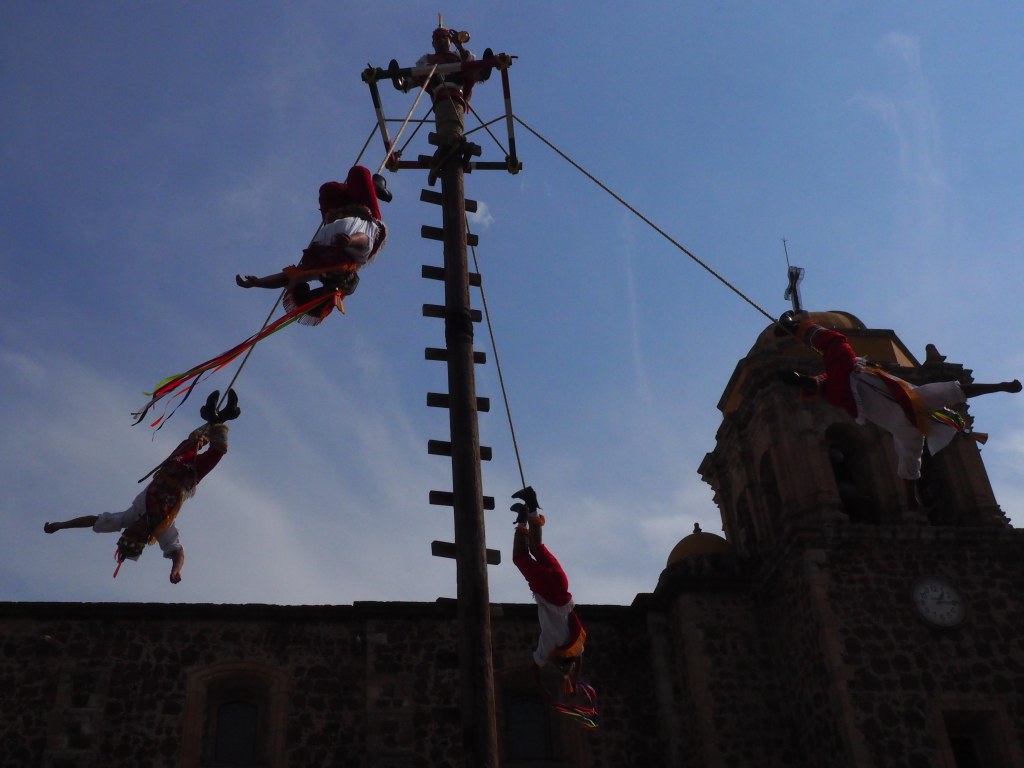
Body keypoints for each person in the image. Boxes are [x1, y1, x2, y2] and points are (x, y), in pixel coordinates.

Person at [777, 311, 1021, 507]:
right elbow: (910, 471)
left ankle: (796, 340)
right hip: (852, 388)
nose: (945, 412)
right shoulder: (914, 429)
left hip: (853, 384)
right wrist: (1000, 387)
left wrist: (1001, 386)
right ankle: (804, 371)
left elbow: (959, 391)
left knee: (837, 346)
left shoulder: (917, 419)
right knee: (833, 366)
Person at [43, 390, 240, 581]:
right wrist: (175, 571)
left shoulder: (127, 518)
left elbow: (92, 521)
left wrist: (61, 525)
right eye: (136, 533)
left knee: (194, 441)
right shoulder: (162, 531)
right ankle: (219, 417)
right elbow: (177, 552)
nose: (134, 528)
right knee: (219, 449)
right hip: (189, 478)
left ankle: (213, 416)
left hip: (172, 468)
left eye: (130, 531)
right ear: (143, 538)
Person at [235, 166, 390, 324]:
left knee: (328, 190)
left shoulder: (318, 267)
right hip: (367, 213)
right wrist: (350, 241)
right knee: (359, 172)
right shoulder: (348, 263)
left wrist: (258, 282)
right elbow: (365, 240)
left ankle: (362, 190)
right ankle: (373, 189)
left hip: (338, 214)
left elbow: (286, 278)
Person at [410, 26, 476, 138]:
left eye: (444, 37)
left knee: (474, 71)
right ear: (433, 43)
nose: (440, 40)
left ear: (450, 41)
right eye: (437, 38)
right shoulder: (428, 58)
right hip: (438, 90)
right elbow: (418, 72)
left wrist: (459, 45)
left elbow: (470, 62)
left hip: (457, 89)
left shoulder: (457, 55)